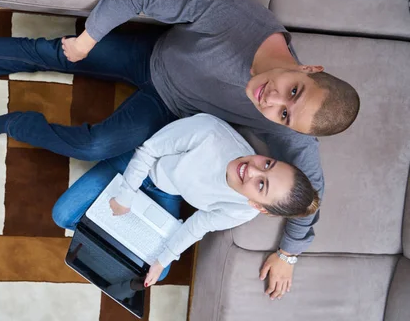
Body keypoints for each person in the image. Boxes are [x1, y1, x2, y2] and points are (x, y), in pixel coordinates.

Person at [0, 0, 360, 299]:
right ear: (309, 67)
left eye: (283, 117)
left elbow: (307, 195)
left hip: (170, 111)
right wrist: (86, 41)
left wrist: (289, 253)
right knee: (51, 52)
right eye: (292, 92)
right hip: (153, 54)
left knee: (95, 144)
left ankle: (21, 124)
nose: (271, 103)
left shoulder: (292, 136)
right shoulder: (240, 21)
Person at [53, 114, 320, 287]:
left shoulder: (243, 211)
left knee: (159, 270)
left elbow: (198, 225)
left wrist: (160, 261)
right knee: (63, 216)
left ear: (258, 207)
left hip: (165, 194)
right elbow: (148, 151)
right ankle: (108, 227)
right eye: (268, 164)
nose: (252, 169)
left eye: (261, 184)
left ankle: (107, 232)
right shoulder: (211, 131)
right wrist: (125, 195)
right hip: (137, 166)